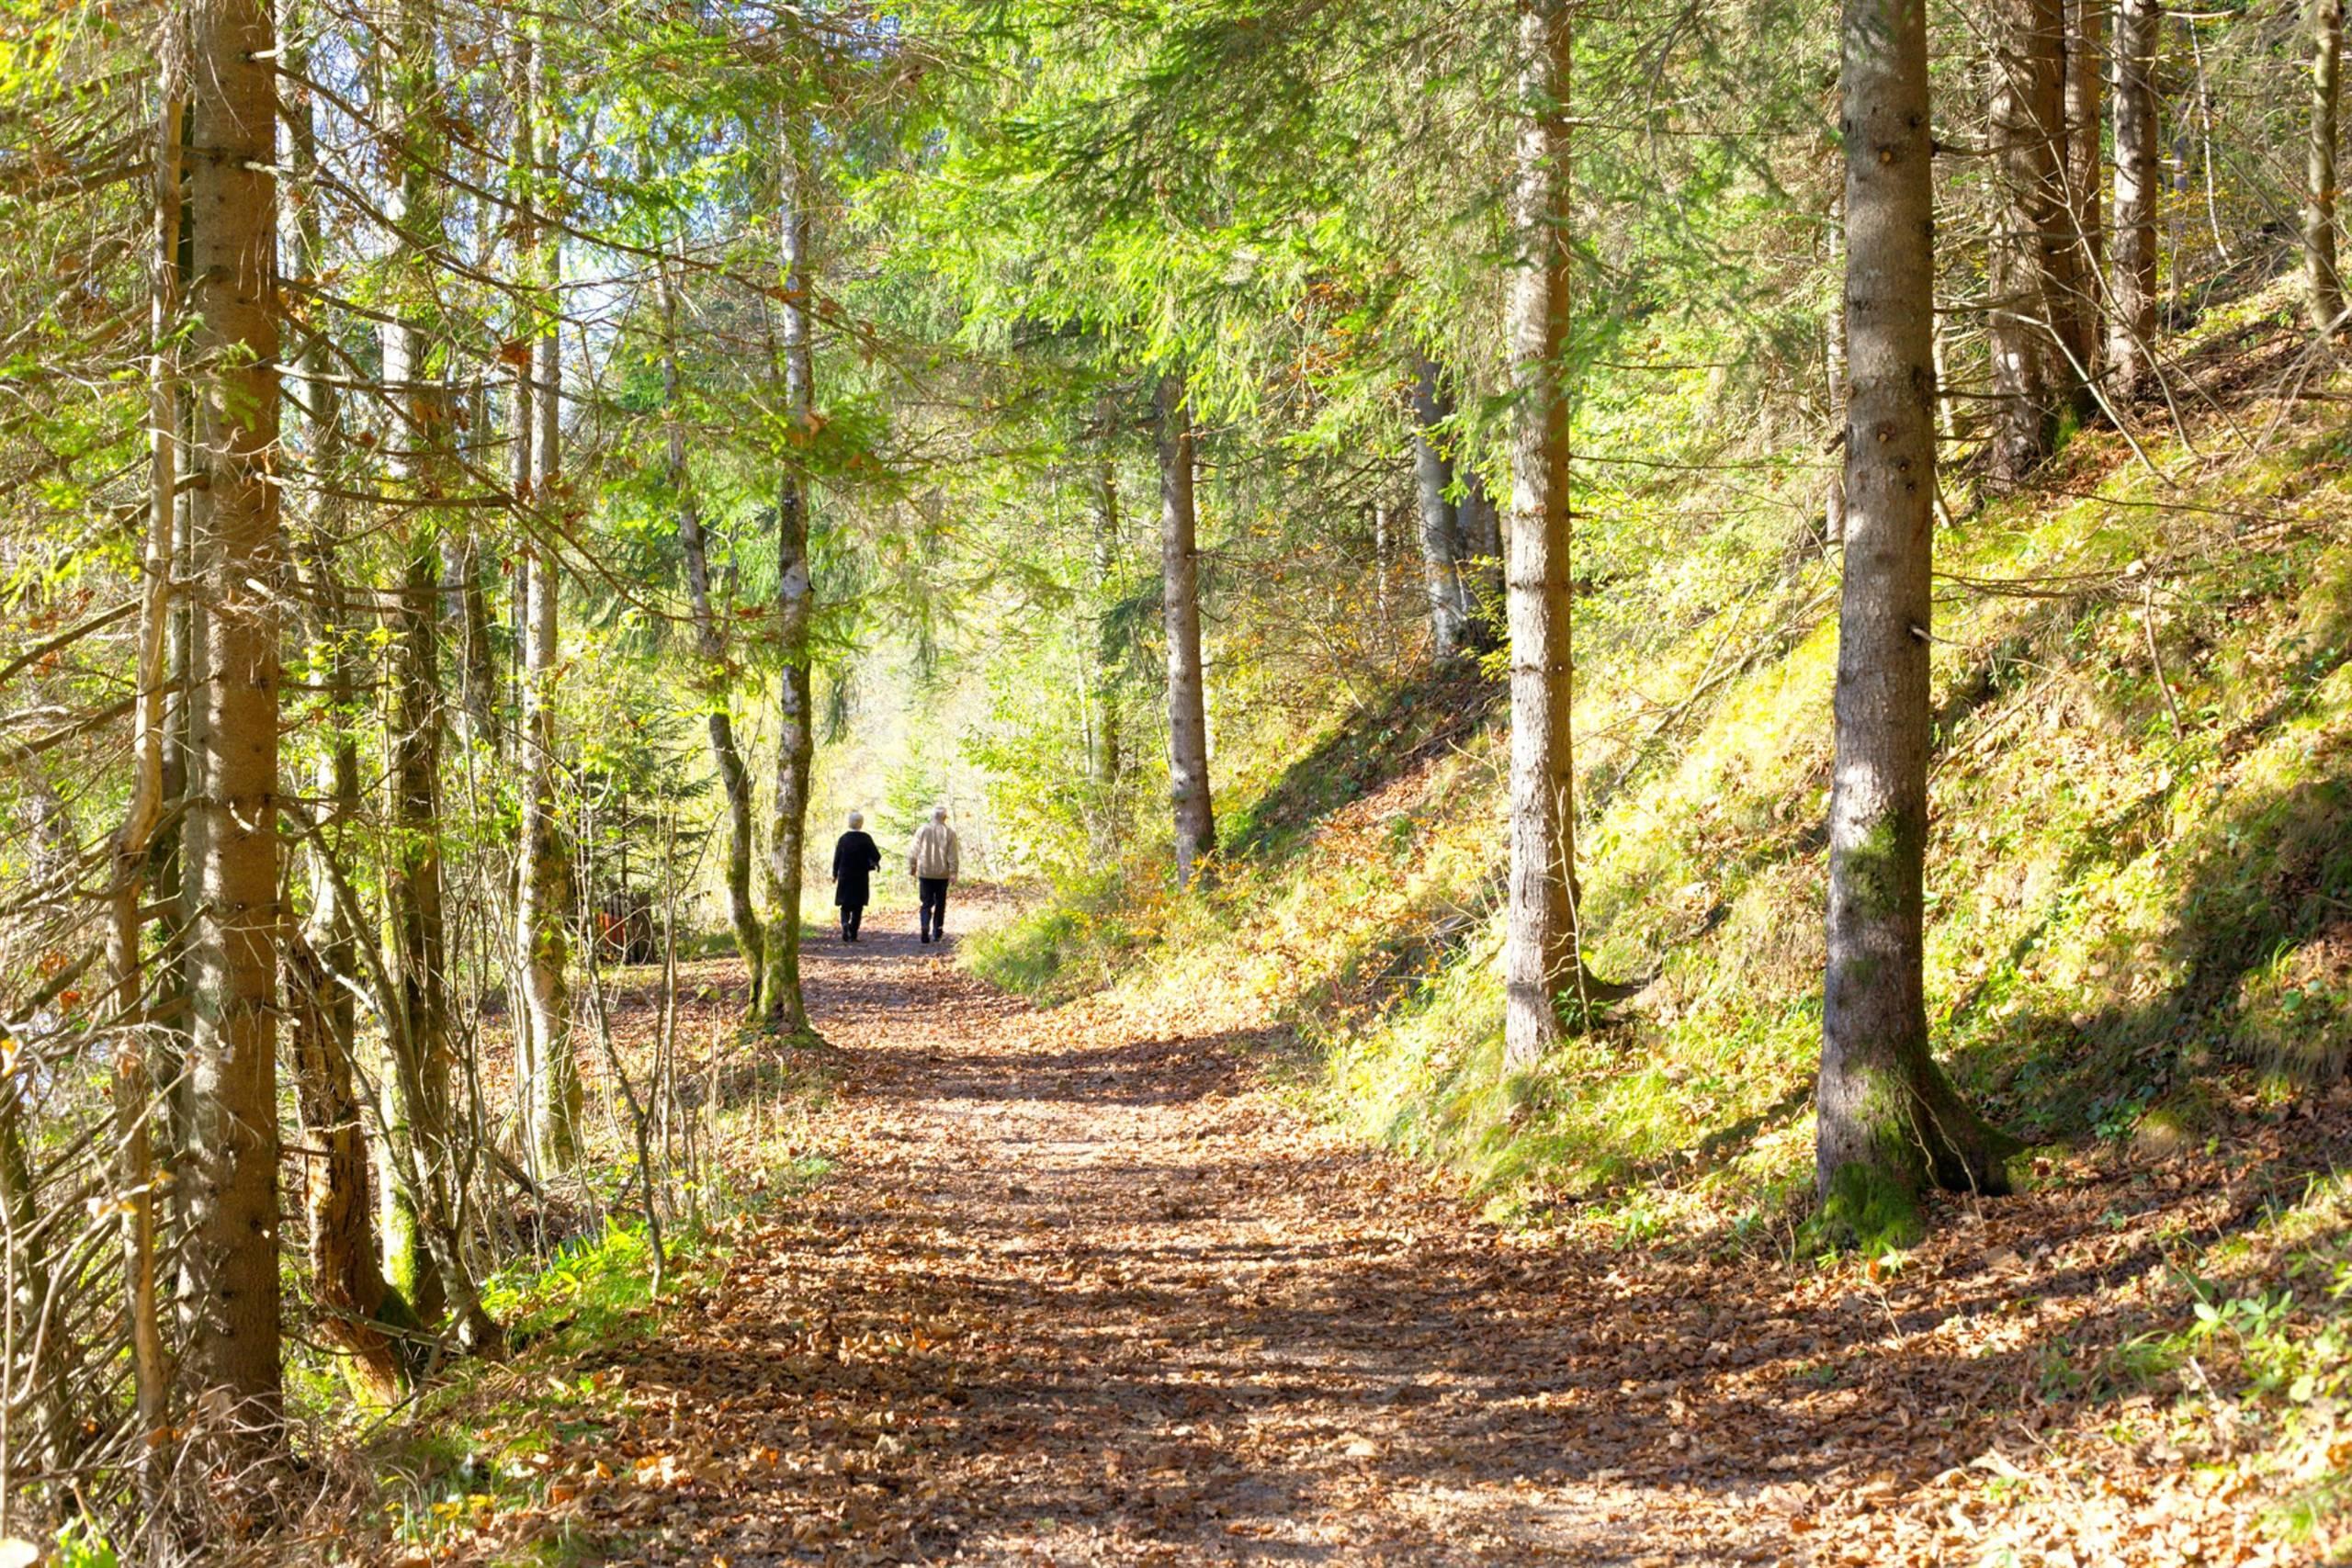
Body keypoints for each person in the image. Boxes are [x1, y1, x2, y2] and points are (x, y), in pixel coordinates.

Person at [907, 806, 961, 943]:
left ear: (932, 817)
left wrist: (912, 867)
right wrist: (953, 872)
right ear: (945, 817)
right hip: (942, 874)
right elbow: (952, 855)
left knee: (926, 903)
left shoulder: (922, 830)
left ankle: (925, 925)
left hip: (925, 873)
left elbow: (913, 850)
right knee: (940, 903)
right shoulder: (949, 832)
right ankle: (937, 932)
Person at [831, 811, 882, 942]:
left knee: (845, 905)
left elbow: (837, 858)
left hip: (845, 876)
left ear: (849, 823)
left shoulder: (843, 839)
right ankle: (853, 933)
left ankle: (844, 924)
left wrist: (835, 874)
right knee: (858, 906)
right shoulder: (866, 838)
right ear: (861, 823)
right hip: (860, 876)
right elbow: (876, 856)